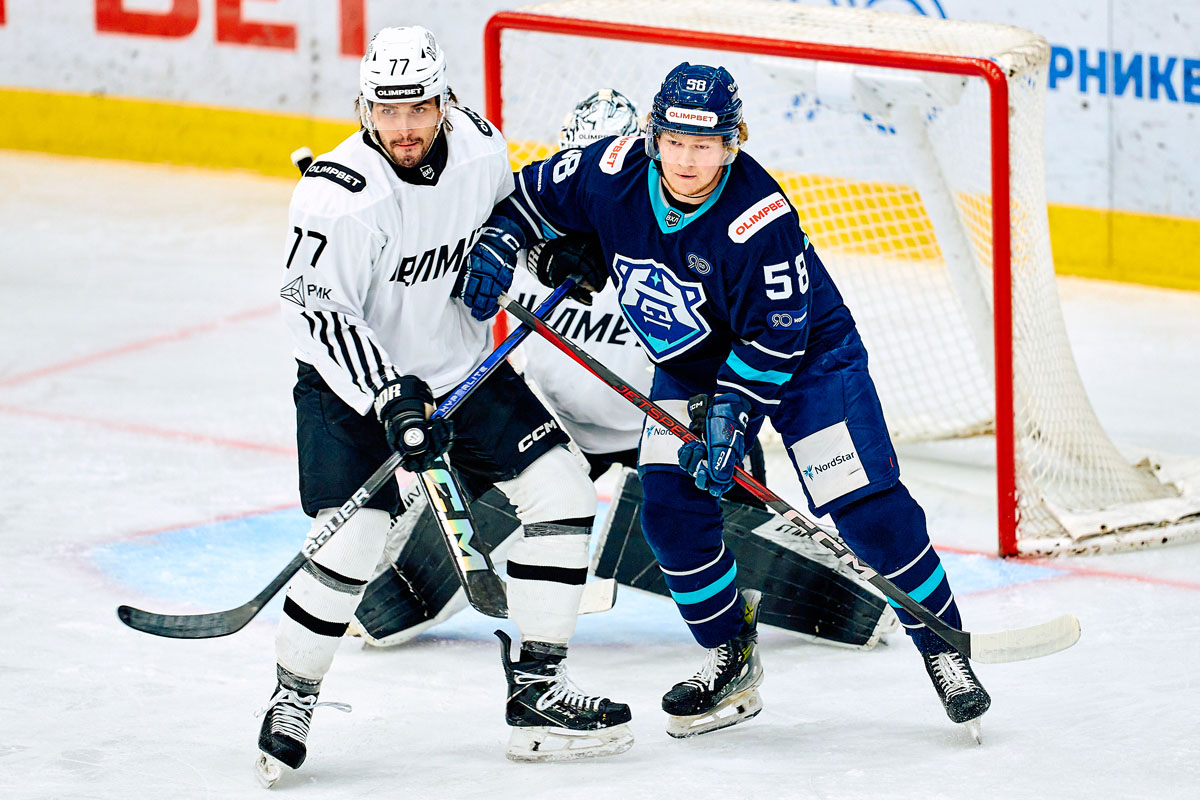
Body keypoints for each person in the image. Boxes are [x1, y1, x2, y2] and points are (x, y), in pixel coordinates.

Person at [459, 62, 991, 740]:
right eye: (675, 142)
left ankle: (944, 648)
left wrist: (732, 415)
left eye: (704, 145)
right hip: (691, 366)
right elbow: (528, 199)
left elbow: (778, 336)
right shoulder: (610, 169)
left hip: (808, 363)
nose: (687, 160)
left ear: (733, 142)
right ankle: (730, 655)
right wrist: (507, 243)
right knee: (670, 517)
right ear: (653, 136)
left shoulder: (758, 217)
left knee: (865, 509)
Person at [259, 27, 632, 785]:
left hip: (462, 373)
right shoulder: (336, 197)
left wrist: (547, 253)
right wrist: (388, 393)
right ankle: (293, 695)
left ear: (444, 102)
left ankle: (538, 692)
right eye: (387, 111)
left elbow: (505, 225)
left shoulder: (480, 147)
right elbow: (319, 314)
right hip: (351, 385)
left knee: (563, 492)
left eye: (418, 109)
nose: (403, 128)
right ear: (365, 107)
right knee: (352, 543)